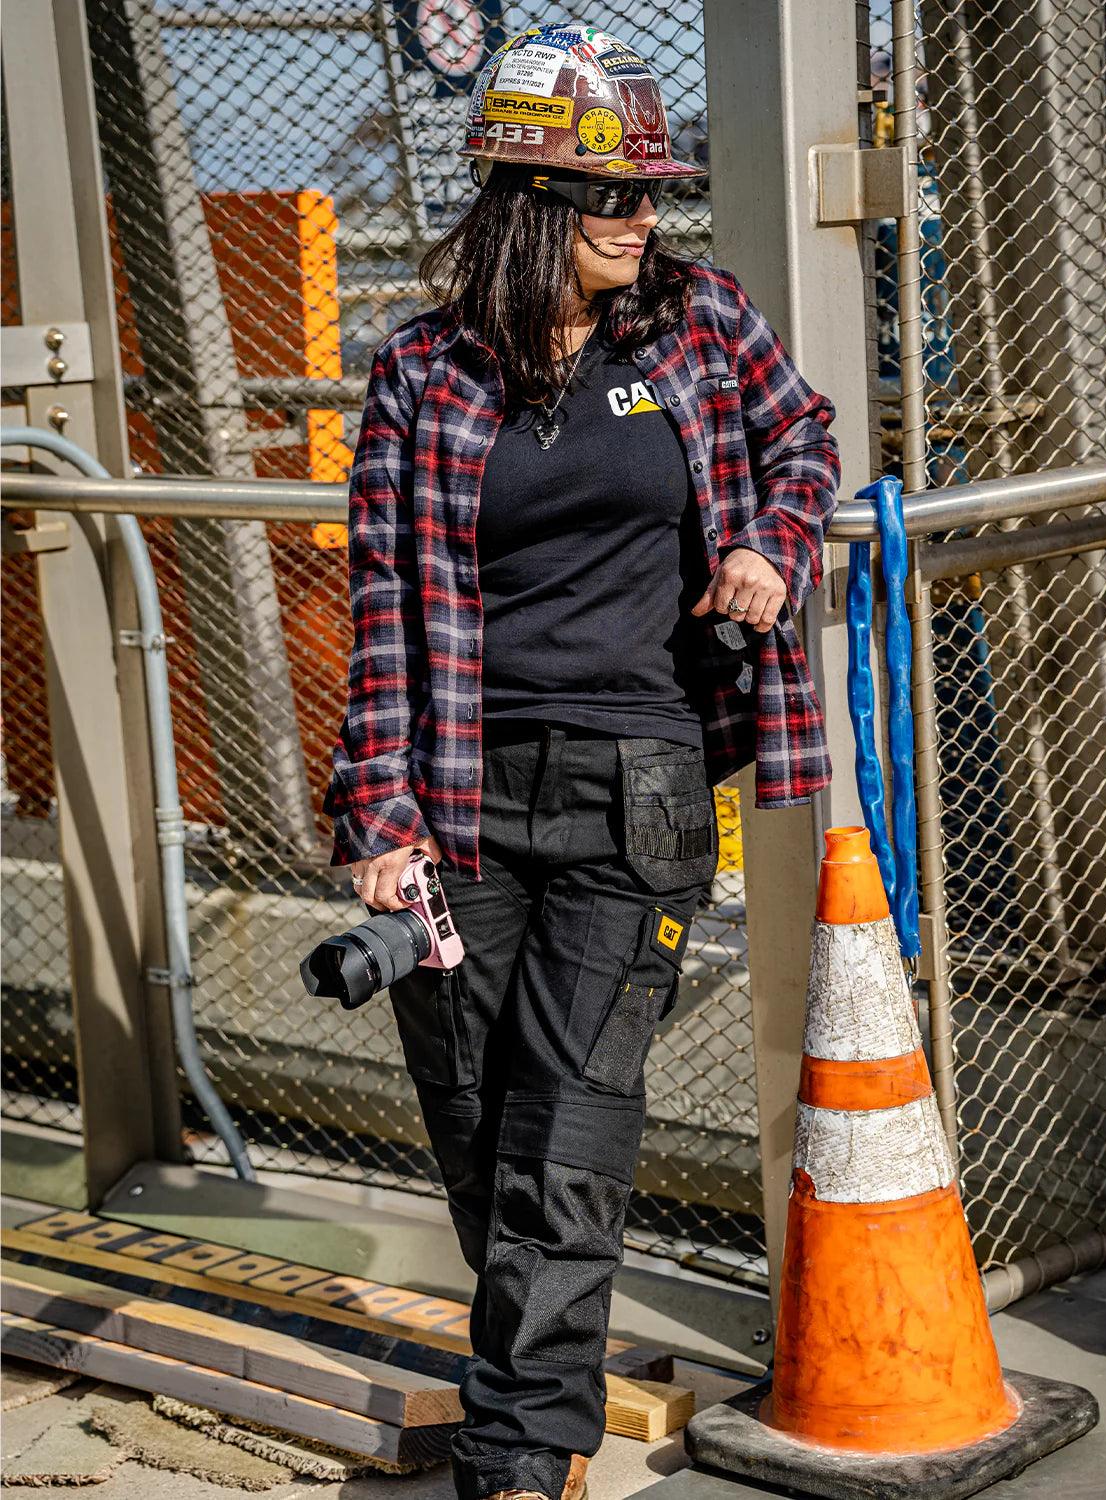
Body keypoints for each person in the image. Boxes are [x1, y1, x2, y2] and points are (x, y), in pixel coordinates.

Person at [324, 23, 841, 1500]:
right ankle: (535, 1375)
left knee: (572, 1126)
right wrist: (379, 812)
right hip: (461, 803)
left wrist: (766, 544)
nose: (643, 221)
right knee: (482, 1123)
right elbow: (385, 606)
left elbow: (801, 443)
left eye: (652, 195)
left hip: (644, 785)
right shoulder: (420, 374)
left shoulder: (698, 322)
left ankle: (520, 1451)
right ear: (531, 203)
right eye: (615, 197)